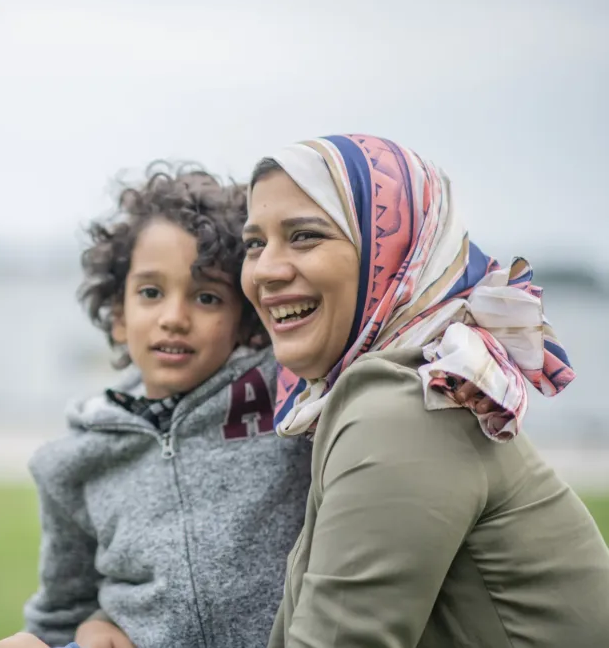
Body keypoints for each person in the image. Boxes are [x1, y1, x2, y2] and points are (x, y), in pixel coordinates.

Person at [0, 161, 506, 648]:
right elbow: (61, 608)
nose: (174, 317)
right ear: (118, 315)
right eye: (150, 293)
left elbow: (383, 346)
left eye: (207, 297)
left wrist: (463, 370)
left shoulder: (291, 396)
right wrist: (91, 623)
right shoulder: (74, 460)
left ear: (248, 317)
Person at [239, 133, 609, 647]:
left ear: (393, 254)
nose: (266, 270)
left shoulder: (405, 410)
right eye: (254, 243)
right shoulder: (421, 384)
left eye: (304, 236)